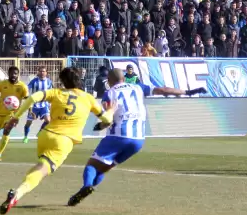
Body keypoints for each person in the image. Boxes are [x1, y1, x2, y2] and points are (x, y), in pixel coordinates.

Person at [67, 69, 206, 206]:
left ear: (109, 81)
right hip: (138, 140)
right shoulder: (138, 87)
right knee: (104, 167)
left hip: (118, 136)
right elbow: (163, 90)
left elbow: (108, 118)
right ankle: (83, 191)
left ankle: (86, 186)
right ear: (123, 78)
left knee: (92, 165)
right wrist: (189, 92)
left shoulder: (109, 93)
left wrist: (100, 126)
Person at [0, 67, 114, 215]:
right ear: (79, 80)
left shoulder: (57, 92)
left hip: (45, 135)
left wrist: (15, 117)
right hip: (63, 141)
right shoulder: (88, 98)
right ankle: (17, 194)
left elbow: (33, 98)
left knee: (39, 168)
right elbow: (106, 119)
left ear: (62, 81)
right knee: (41, 171)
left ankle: (18, 191)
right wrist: (111, 110)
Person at [0, 66, 29, 161]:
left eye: (15, 73)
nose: (13, 75)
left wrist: (30, 111)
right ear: (8, 74)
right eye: (12, 73)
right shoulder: (2, 84)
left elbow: (27, 100)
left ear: (18, 75)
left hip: (12, 115)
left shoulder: (22, 87)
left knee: (7, 131)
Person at [22, 66, 53, 143]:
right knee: (28, 123)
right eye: (41, 71)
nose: (42, 73)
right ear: (38, 72)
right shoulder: (34, 81)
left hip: (44, 105)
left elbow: (52, 93)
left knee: (48, 120)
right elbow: (27, 89)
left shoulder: (49, 82)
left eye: (44, 71)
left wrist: (50, 103)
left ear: (46, 73)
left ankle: (40, 132)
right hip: (34, 105)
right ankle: (25, 137)